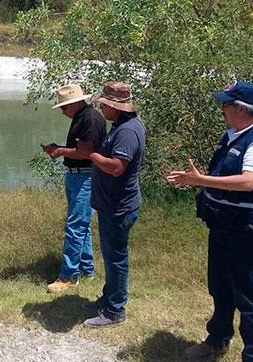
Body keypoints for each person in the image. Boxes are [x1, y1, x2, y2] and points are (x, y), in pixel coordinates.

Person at [166, 81, 253, 361]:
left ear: (241, 109)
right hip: (223, 225)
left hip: (245, 230)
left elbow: (248, 182)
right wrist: (199, 182)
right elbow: (227, 175)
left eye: (225, 105)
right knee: (219, 286)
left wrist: (200, 180)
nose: (222, 110)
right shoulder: (234, 134)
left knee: (248, 296)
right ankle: (217, 340)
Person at [74, 81, 146, 328]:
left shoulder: (127, 132)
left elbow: (117, 167)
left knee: (116, 258)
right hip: (112, 204)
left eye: (105, 104)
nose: (102, 108)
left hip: (119, 206)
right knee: (111, 256)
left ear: (117, 106)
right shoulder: (122, 126)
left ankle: (115, 311)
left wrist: (89, 155)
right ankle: (108, 299)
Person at [42, 84, 106, 293]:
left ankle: (68, 276)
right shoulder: (82, 117)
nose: (62, 112)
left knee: (75, 227)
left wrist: (60, 151)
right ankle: (86, 270)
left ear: (74, 103)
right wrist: (59, 149)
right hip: (76, 177)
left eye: (63, 107)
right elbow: (79, 150)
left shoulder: (90, 119)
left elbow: (87, 153)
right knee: (81, 226)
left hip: (85, 177)